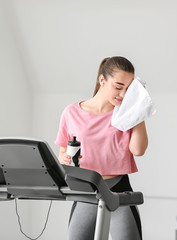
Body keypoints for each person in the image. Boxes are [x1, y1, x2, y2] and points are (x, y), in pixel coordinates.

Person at [55, 56, 148, 240]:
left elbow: (138, 150)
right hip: (86, 190)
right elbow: (62, 153)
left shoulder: (126, 114)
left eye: (128, 90)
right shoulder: (71, 112)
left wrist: (138, 109)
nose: (122, 94)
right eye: (118, 87)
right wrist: (64, 159)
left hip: (118, 190)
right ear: (102, 80)